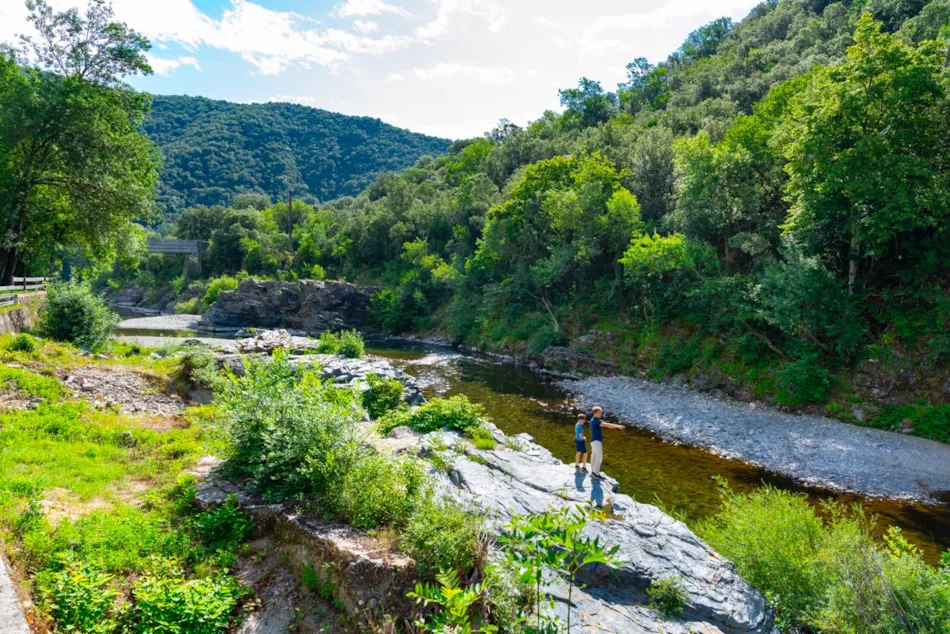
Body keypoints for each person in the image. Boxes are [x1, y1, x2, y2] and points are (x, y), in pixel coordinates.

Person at [589, 406, 624, 480]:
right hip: (597, 441)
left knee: (594, 456)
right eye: (599, 413)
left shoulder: (592, 420)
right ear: (595, 413)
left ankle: (593, 472)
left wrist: (614, 427)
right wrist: (618, 426)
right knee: (599, 457)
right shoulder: (595, 420)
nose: (601, 414)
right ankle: (596, 474)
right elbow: (606, 425)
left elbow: (606, 425)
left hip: (593, 441)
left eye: (601, 413)